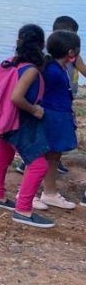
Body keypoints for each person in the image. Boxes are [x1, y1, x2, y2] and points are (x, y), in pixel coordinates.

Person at [0, 24, 54, 228]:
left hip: (4, 119)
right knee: (39, 164)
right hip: (19, 122)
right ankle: (23, 210)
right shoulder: (30, 70)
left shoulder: (10, 63)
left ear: (18, 42)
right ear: (42, 45)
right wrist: (34, 110)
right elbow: (17, 97)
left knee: (4, 154)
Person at [32, 30, 80, 210]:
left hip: (60, 117)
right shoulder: (51, 70)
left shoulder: (59, 67)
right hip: (50, 118)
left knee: (54, 155)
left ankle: (49, 192)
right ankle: (27, 193)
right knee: (41, 156)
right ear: (70, 53)